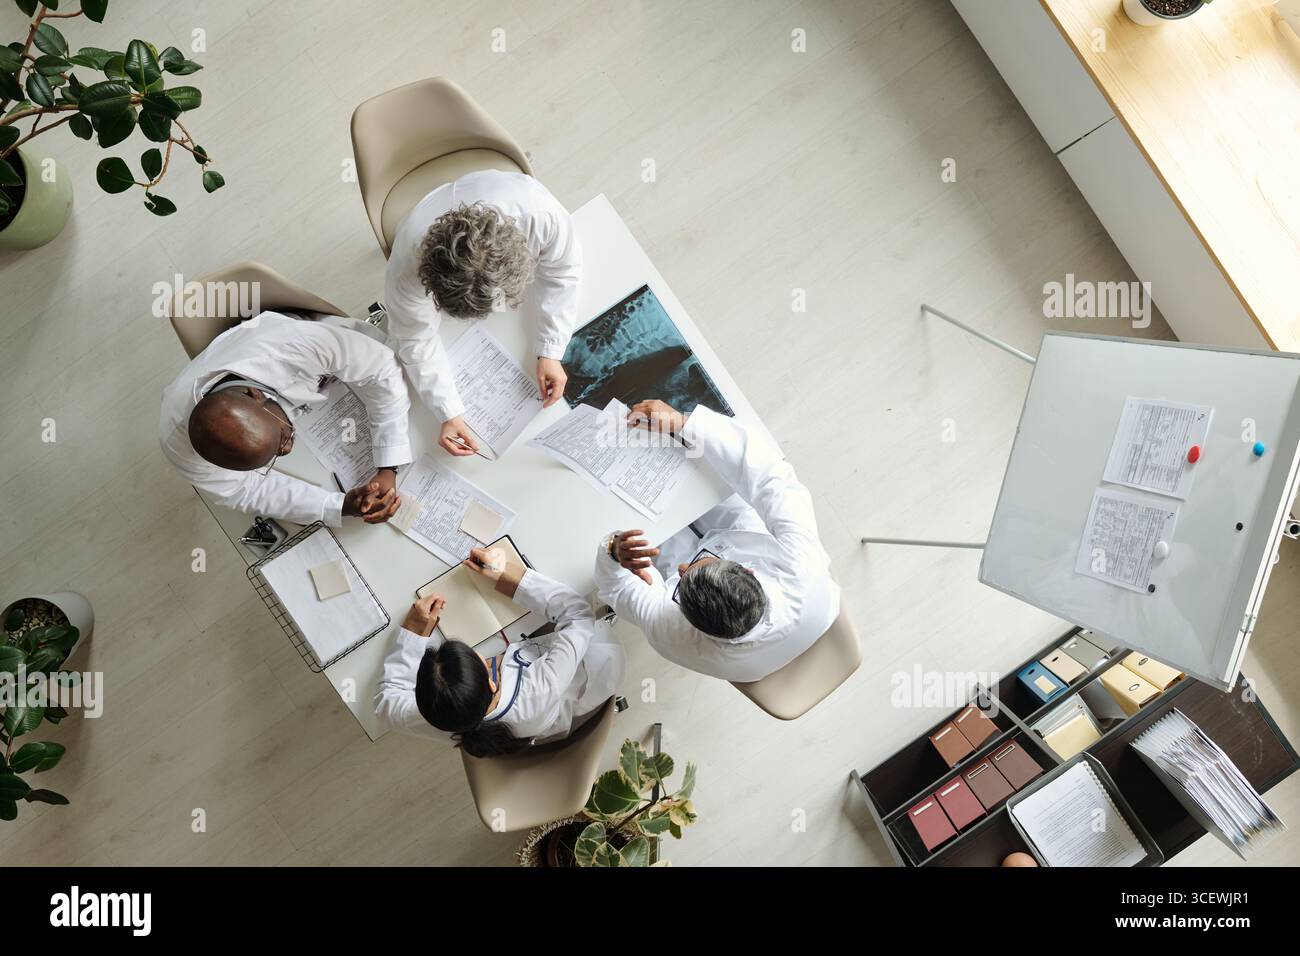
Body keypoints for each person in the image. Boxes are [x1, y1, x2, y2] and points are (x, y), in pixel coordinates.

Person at [595, 400, 839, 682]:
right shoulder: (802, 567)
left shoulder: (676, 637)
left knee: (632, 515)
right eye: (695, 567)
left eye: (681, 581)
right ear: (748, 570)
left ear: (690, 622)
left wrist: (614, 551)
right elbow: (772, 479)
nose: (683, 567)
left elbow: (618, 590)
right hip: (744, 537)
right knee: (706, 469)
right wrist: (683, 423)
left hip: (771, 638)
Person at [384, 169, 582, 457]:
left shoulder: (541, 214)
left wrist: (551, 348)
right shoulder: (405, 266)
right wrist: (448, 412)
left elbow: (564, 271)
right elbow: (414, 338)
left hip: (502, 185)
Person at [160, 310, 412, 527]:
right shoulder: (180, 449)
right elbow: (245, 490)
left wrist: (389, 465)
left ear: (254, 395)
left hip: (326, 351)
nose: (288, 447)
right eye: (276, 453)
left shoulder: (296, 346)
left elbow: (381, 370)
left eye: (283, 437)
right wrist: (339, 506)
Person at [374, 546, 624, 755]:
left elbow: (387, 706)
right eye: (478, 659)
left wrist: (413, 634)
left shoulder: (442, 713)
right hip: (588, 668)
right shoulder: (541, 686)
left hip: (542, 696)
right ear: (492, 684)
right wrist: (510, 577)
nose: (483, 657)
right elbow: (579, 616)